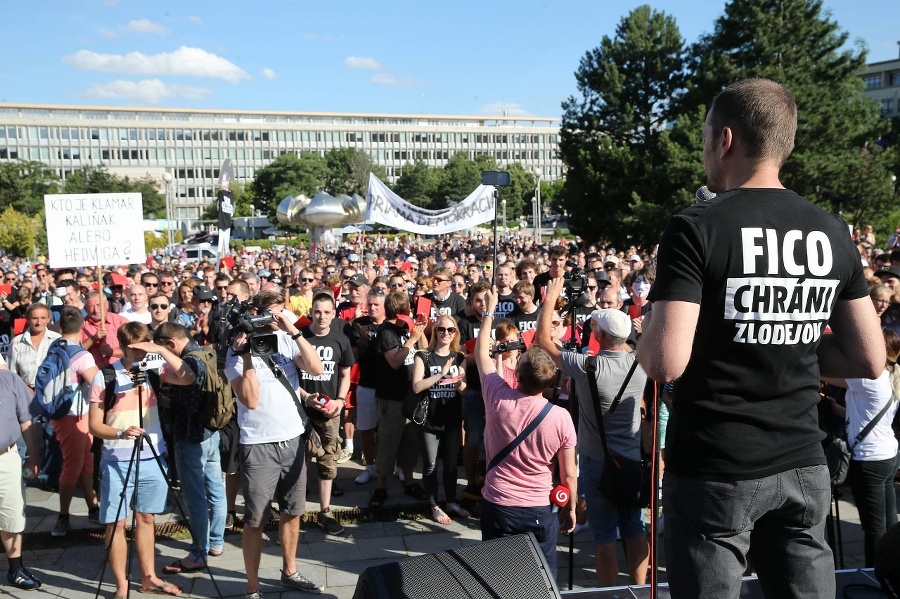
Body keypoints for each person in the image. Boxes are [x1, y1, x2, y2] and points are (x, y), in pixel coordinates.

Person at [638, 78, 885, 599]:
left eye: (705, 136)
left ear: (725, 140)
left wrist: (647, 334)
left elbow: (664, 363)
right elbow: (869, 357)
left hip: (716, 467)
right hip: (803, 462)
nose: (704, 148)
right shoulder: (830, 229)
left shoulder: (696, 225)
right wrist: (784, 340)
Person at [536, 277, 650, 587]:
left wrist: (551, 299)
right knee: (635, 529)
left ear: (598, 335)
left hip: (597, 461)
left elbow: (543, 340)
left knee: (604, 535)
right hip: (631, 460)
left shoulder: (588, 367)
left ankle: (610, 593)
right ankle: (639, 590)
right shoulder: (640, 362)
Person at [224, 290, 325, 598]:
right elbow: (251, 400)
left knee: (293, 511)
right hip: (259, 444)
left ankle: (289, 571)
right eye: (271, 315)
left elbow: (316, 369)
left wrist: (294, 332)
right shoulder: (233, 352)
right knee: (255, 520)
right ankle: (253, 588)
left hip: (293, 439)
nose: (276, 320)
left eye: (280, 313)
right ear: (255, 314)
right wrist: (246, 357)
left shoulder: (285, 338)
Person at [89, 321, 197, 599]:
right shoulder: (105, 377)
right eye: (134, 349)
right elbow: (94, 426)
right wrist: (121, 432)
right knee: (116, 524)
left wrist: (158, 350)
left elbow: (188, 376)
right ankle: (121, 585)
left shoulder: (153, 370)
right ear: (122, 348)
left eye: (143, 347)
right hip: (116, 458)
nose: (139, 354)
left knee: (147, 517)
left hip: (151, 456)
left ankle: (149, 577)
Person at [474, 287, 577, 575]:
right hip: (539, 507)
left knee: (497, 578)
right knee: (541, 577)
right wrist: (569, 509)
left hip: (499, 502)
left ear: (516, 375)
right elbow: (568, 474)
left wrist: (488, 313)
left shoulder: (497, 396)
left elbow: (481, 353)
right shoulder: (561, 418)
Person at [153, 323, 227, 574]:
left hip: (191, 438)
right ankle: (216, 542)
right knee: (216, 490)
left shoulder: (189, 362)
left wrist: (164, 399)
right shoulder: (205, 351)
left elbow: (188, 405)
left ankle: (198, 552)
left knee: (195, 498)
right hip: (211, 433)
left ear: (171, 344)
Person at [822, 328, 900, 567]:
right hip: (888, 454)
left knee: (874, 529)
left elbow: (823, 371)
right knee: (888, 524)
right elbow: (873, 413)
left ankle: (877, 575)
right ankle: (893, 570)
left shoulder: (868, 378)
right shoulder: (892, 375)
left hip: (869, 459)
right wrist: (841, 411)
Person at [297, 293, 354, 536]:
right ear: (311, 312)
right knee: (299, 459)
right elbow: (288, 377)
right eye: (317, 311)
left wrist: (341, 401)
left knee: (327, 459)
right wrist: (304, 396)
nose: (321, 316)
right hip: (301, 409)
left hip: (330, 410)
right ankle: (295, 510)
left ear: (334, 314)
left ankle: (325, 510)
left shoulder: (341, 340)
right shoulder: (300, 337)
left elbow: (345, 374)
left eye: (326, 312)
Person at [368, 292, 427, 508]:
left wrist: (419, 331)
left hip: (410, 395)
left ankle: (409, 482)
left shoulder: (405, 327)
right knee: (387, 442)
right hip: (391, 398)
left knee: (410, 443)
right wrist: (411, 340)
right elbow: (394, 361)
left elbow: (425, 350)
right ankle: (381, 486)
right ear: (401, 311)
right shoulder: (386, 332)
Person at [411, 314, 468, 524]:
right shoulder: (423, 356)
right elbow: (417, 386)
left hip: (452, 419)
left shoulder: (459, 357)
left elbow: (464, 389)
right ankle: (434, 504)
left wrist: (457, 383)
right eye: (441, 329)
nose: (445, 333)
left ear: (455, 333)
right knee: (430, 465)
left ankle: (451, 502)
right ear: (434, 332)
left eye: (450, 330)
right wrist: (441, 374)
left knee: (452, 465)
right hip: (429, 419)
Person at [49, 307, 101, 538]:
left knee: (85, 463)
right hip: (76, 415)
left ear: (60, 326)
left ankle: (92, 507)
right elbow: (98, 385)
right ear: (81, 327)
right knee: (73, 466)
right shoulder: (82, 355)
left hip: (64, 413)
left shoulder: (54, 347)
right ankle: (63, 516)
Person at [0, 367, 42, 590]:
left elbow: (26, 420)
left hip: (6, 457)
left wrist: (33, 456)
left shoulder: (9, 379)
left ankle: (16, 568)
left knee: (12, 513)